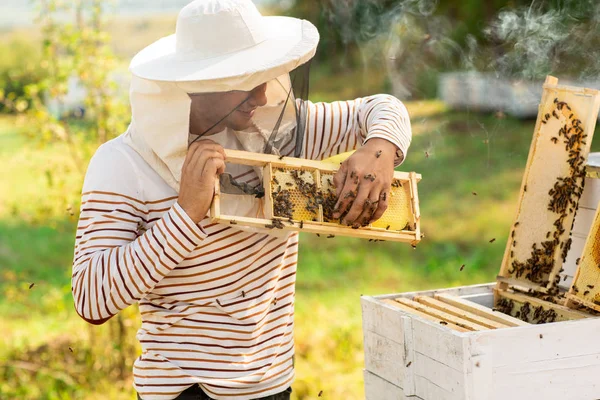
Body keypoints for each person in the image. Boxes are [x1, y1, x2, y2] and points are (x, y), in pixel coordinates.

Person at [71, 0, 412, 399]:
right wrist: (186, 214)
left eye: (264, 74)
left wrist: (380, 149)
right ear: (199, 81)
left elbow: (382, 108)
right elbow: (91, 299)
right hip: (186, 391)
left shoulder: (279, 132)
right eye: (246, 79)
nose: (263, 95)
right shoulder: (123, 163)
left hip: (272, 383)